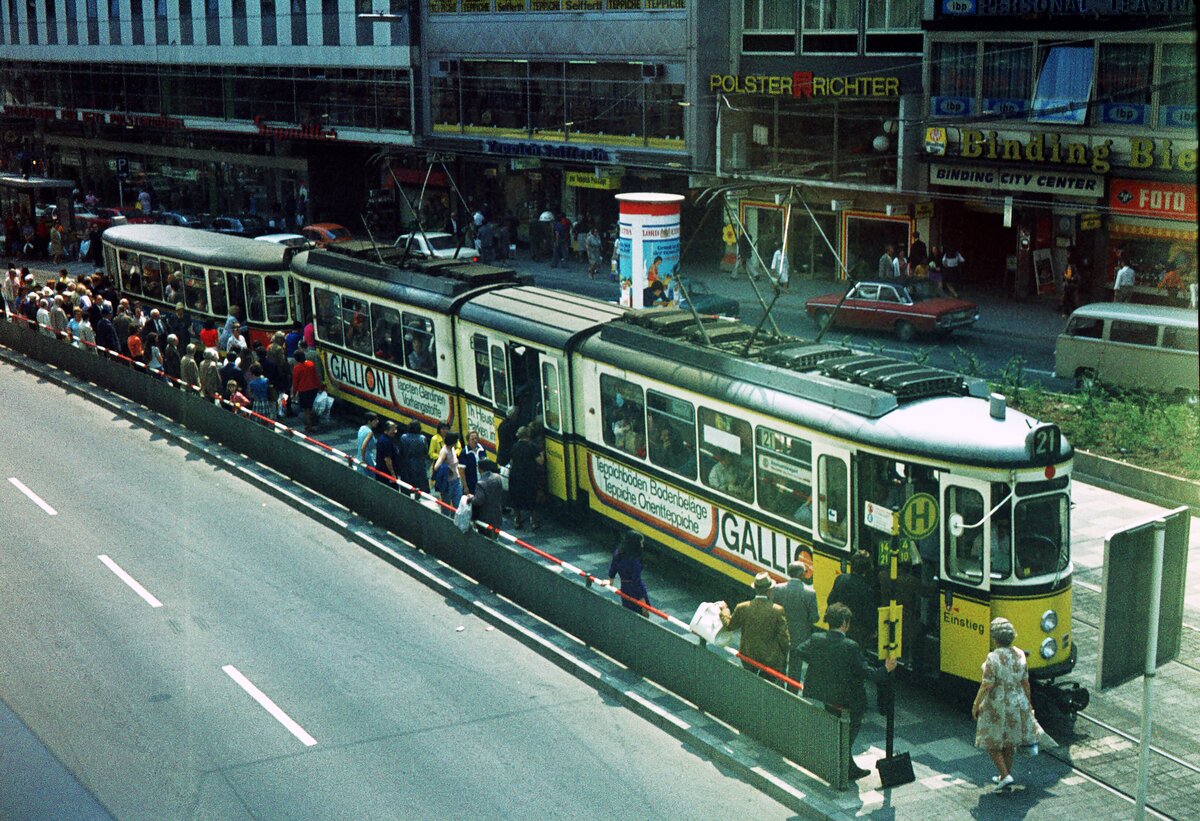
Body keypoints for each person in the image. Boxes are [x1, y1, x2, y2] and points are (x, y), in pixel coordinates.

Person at [795, 603, 897, 780]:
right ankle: (845, 768)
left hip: (821, 695)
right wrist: (886, 669)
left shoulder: (817, 638)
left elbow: (799, 651)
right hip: (847, 700)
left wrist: (819, 664)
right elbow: (869, 674)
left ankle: (848, 766)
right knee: (849, 732)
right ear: (844, 623)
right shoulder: (850, 646)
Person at [972, 617, 1038, 792]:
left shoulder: (993, 658)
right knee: (1009, 741)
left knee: (990, 741)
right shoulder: (1020, 653)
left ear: (995, 638)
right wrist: (1029, 704)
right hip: (1018, 702)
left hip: (997, 704)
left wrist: (976, 704)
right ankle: (1004, 775)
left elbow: (986, 684)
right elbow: (1025, 683)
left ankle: (1005, 775)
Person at [718, 572, 790, 681]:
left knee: (749, 681)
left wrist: (725, 611)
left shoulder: (742, 607)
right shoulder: (777, 610)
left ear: (755, 589)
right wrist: (785, 654)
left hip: (747, 656)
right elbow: (784, 639)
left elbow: (729, 626)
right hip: (769, 660)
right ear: (769, 590)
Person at [770, 561, 819, 685]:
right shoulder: (810, 593)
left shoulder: (777, 588)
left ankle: (778, 689)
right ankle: (792, 693)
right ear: (802, 574)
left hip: (781, 633)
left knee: (780, 665)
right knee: (795, 669)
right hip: (800, 637)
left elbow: (772, 610)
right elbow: (814, 618)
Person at [827, 550, 876, 650]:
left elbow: (830, 600)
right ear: (867, 569)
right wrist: (873, 630)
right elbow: (868, 614)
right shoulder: (867, 588)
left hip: (837, 625)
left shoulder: (840, 579)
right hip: (857, 632)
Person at [603, 530, 651, 617]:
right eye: (641, 543)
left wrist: (610, 581)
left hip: (624, 587)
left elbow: (612, 569)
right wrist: (643, 603)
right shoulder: (635, 561)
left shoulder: (618, 553)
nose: (642, 545)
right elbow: (636, 582)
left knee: (628, 613)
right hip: (635, 591)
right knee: (641, 616)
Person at [507, 425, 543, 529]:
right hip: (529, 476)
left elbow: (511, 461)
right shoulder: (532, 446)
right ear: (528, 435)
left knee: (516, 499)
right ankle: (533, 521)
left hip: (516, 476)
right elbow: (540, 461)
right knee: (531, 499)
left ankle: (517, 520)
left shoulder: (514, 446)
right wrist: (541, 454)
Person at [468, 459, 504, 533]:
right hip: (497, 515)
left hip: (485, 518)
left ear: (479, 468)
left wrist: (471, 498)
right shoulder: (497, 478)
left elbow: (478, 501)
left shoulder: (481, 483)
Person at [291, 350, 321, 433]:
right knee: (312, 407)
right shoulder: (311, 364)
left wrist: (293, 394)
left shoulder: (296, 368)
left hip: (303, 390)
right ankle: (315, 422)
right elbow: (316, 376)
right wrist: (319, 387)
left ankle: (309, 426)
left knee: (306, 409)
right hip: (313, 388)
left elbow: (295, 382)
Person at [432, 431, 465, 510]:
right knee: (446, 507)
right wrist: (447, 468)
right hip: (448, 484)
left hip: (456, 480)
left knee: (458, 506)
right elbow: (436, 466)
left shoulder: (452, 449)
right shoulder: (444, 451)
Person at [398, 421, 429, 493]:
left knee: (407, 485)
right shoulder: (422, 438)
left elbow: (401, 452)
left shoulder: (403, 437)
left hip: (407, 464)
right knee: (419, 486)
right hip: (419, 465)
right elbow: (425, 452)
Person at [373, 421, 399, 486]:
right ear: (386, 430)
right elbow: (387, 459)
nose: (395, 431)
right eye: (393, 430)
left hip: (381, 470)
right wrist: (392, 474)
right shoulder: (387, 442)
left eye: (395, 429)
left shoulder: (382, 438)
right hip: (386, 473)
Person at [460, 429, 485, 495]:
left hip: (482, 482)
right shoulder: (464, 453)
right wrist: (465, 487)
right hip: (471, 483)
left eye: (476, 438)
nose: (475, 441)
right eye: (472, 439)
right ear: (468, 441)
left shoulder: (482, 449)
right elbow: (462, 471)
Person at [355, 413, 380, 477]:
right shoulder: (370, 432)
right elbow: (363, 447)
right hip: (367, 457)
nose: (377, 422)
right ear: (369, 421)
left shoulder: (362, 428)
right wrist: (363, 460)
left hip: (359, 455)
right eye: (375, 420)